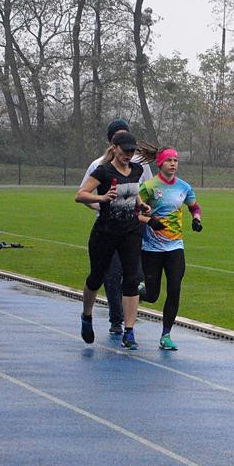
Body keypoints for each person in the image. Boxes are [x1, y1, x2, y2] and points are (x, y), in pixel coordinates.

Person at [76, 133, 151, 349]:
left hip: (130, 232)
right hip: (105, 232)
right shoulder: (104, 171)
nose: (128, 155)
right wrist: (101, 197)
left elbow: (133, 191)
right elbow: (80, 195)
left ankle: (129, 331)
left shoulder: (136, 171)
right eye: (125, 150)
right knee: (96, 277)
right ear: (114, 148)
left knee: (131, 280)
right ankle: (87, 315)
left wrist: (141, 205)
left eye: (131, 151)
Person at [138, 148, 202, 350]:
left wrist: (197, 220)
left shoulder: (184, 187)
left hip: (175, 247)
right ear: (160, 164)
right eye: (169, 160)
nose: (173, 164)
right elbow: (133, 213)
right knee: (152, 294)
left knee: (174, 289)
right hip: (152, 248)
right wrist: (149, 221)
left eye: (175, 160)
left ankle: (166, 335)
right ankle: (133, 291)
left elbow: (194, 207)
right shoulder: (148, 187)